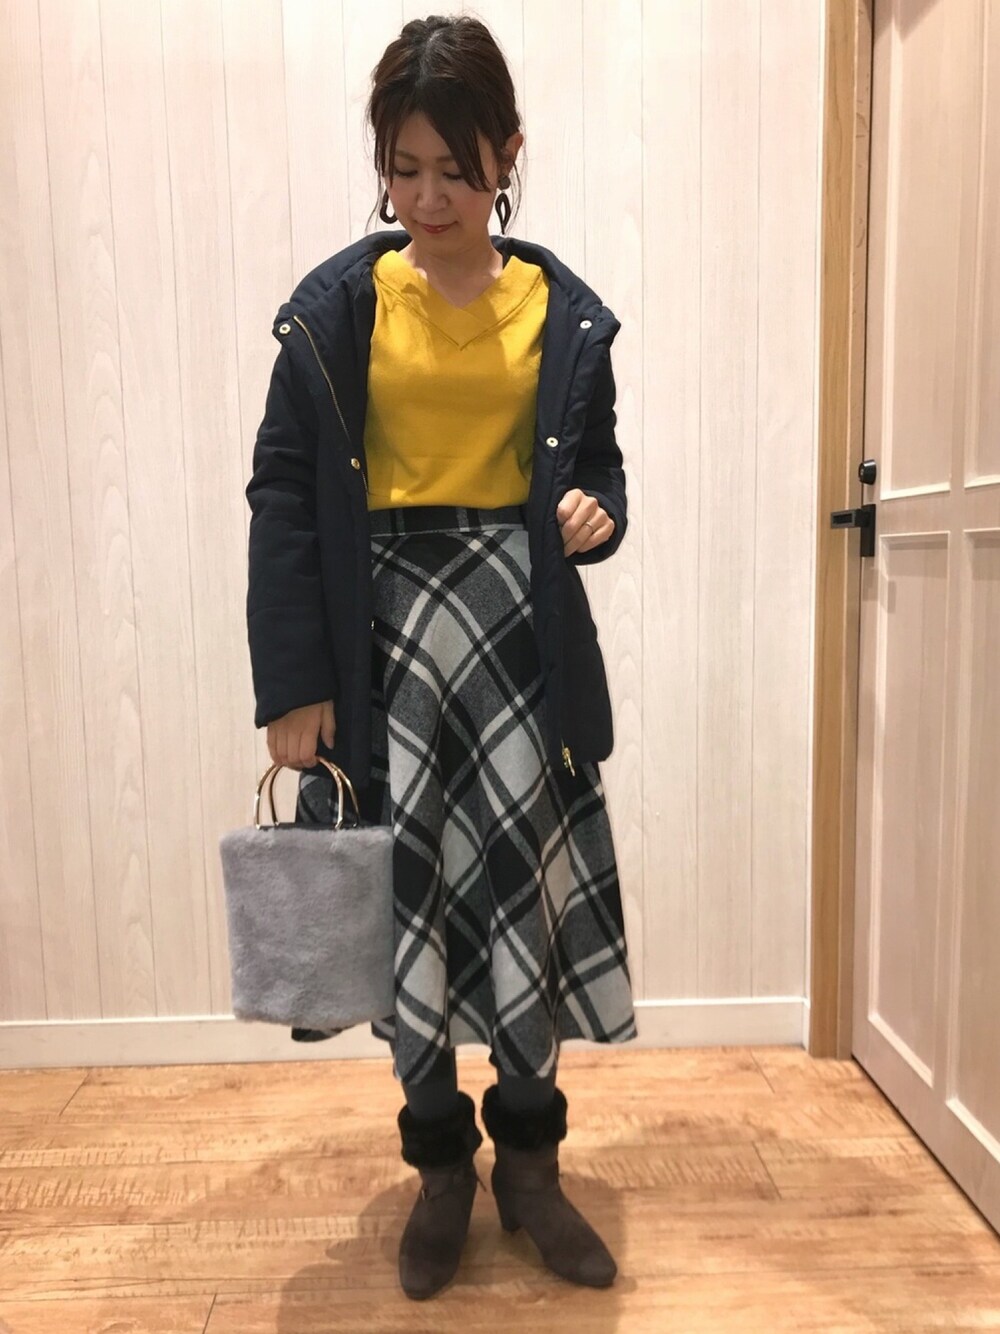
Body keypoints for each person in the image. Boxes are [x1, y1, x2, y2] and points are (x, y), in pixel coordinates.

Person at [244, 13, 638, 1302]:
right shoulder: (336, 313)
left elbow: (598, 471)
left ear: (508, 154)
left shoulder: (561, 313)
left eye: (455, 171)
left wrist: (596, 513)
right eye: (403, 168)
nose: (426, 198)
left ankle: (530, 1170)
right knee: (401, 911)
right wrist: (295, 683)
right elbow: (285, 495)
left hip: (520, 644)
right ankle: (440, 1176)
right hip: (386, 655)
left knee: (523, 906)